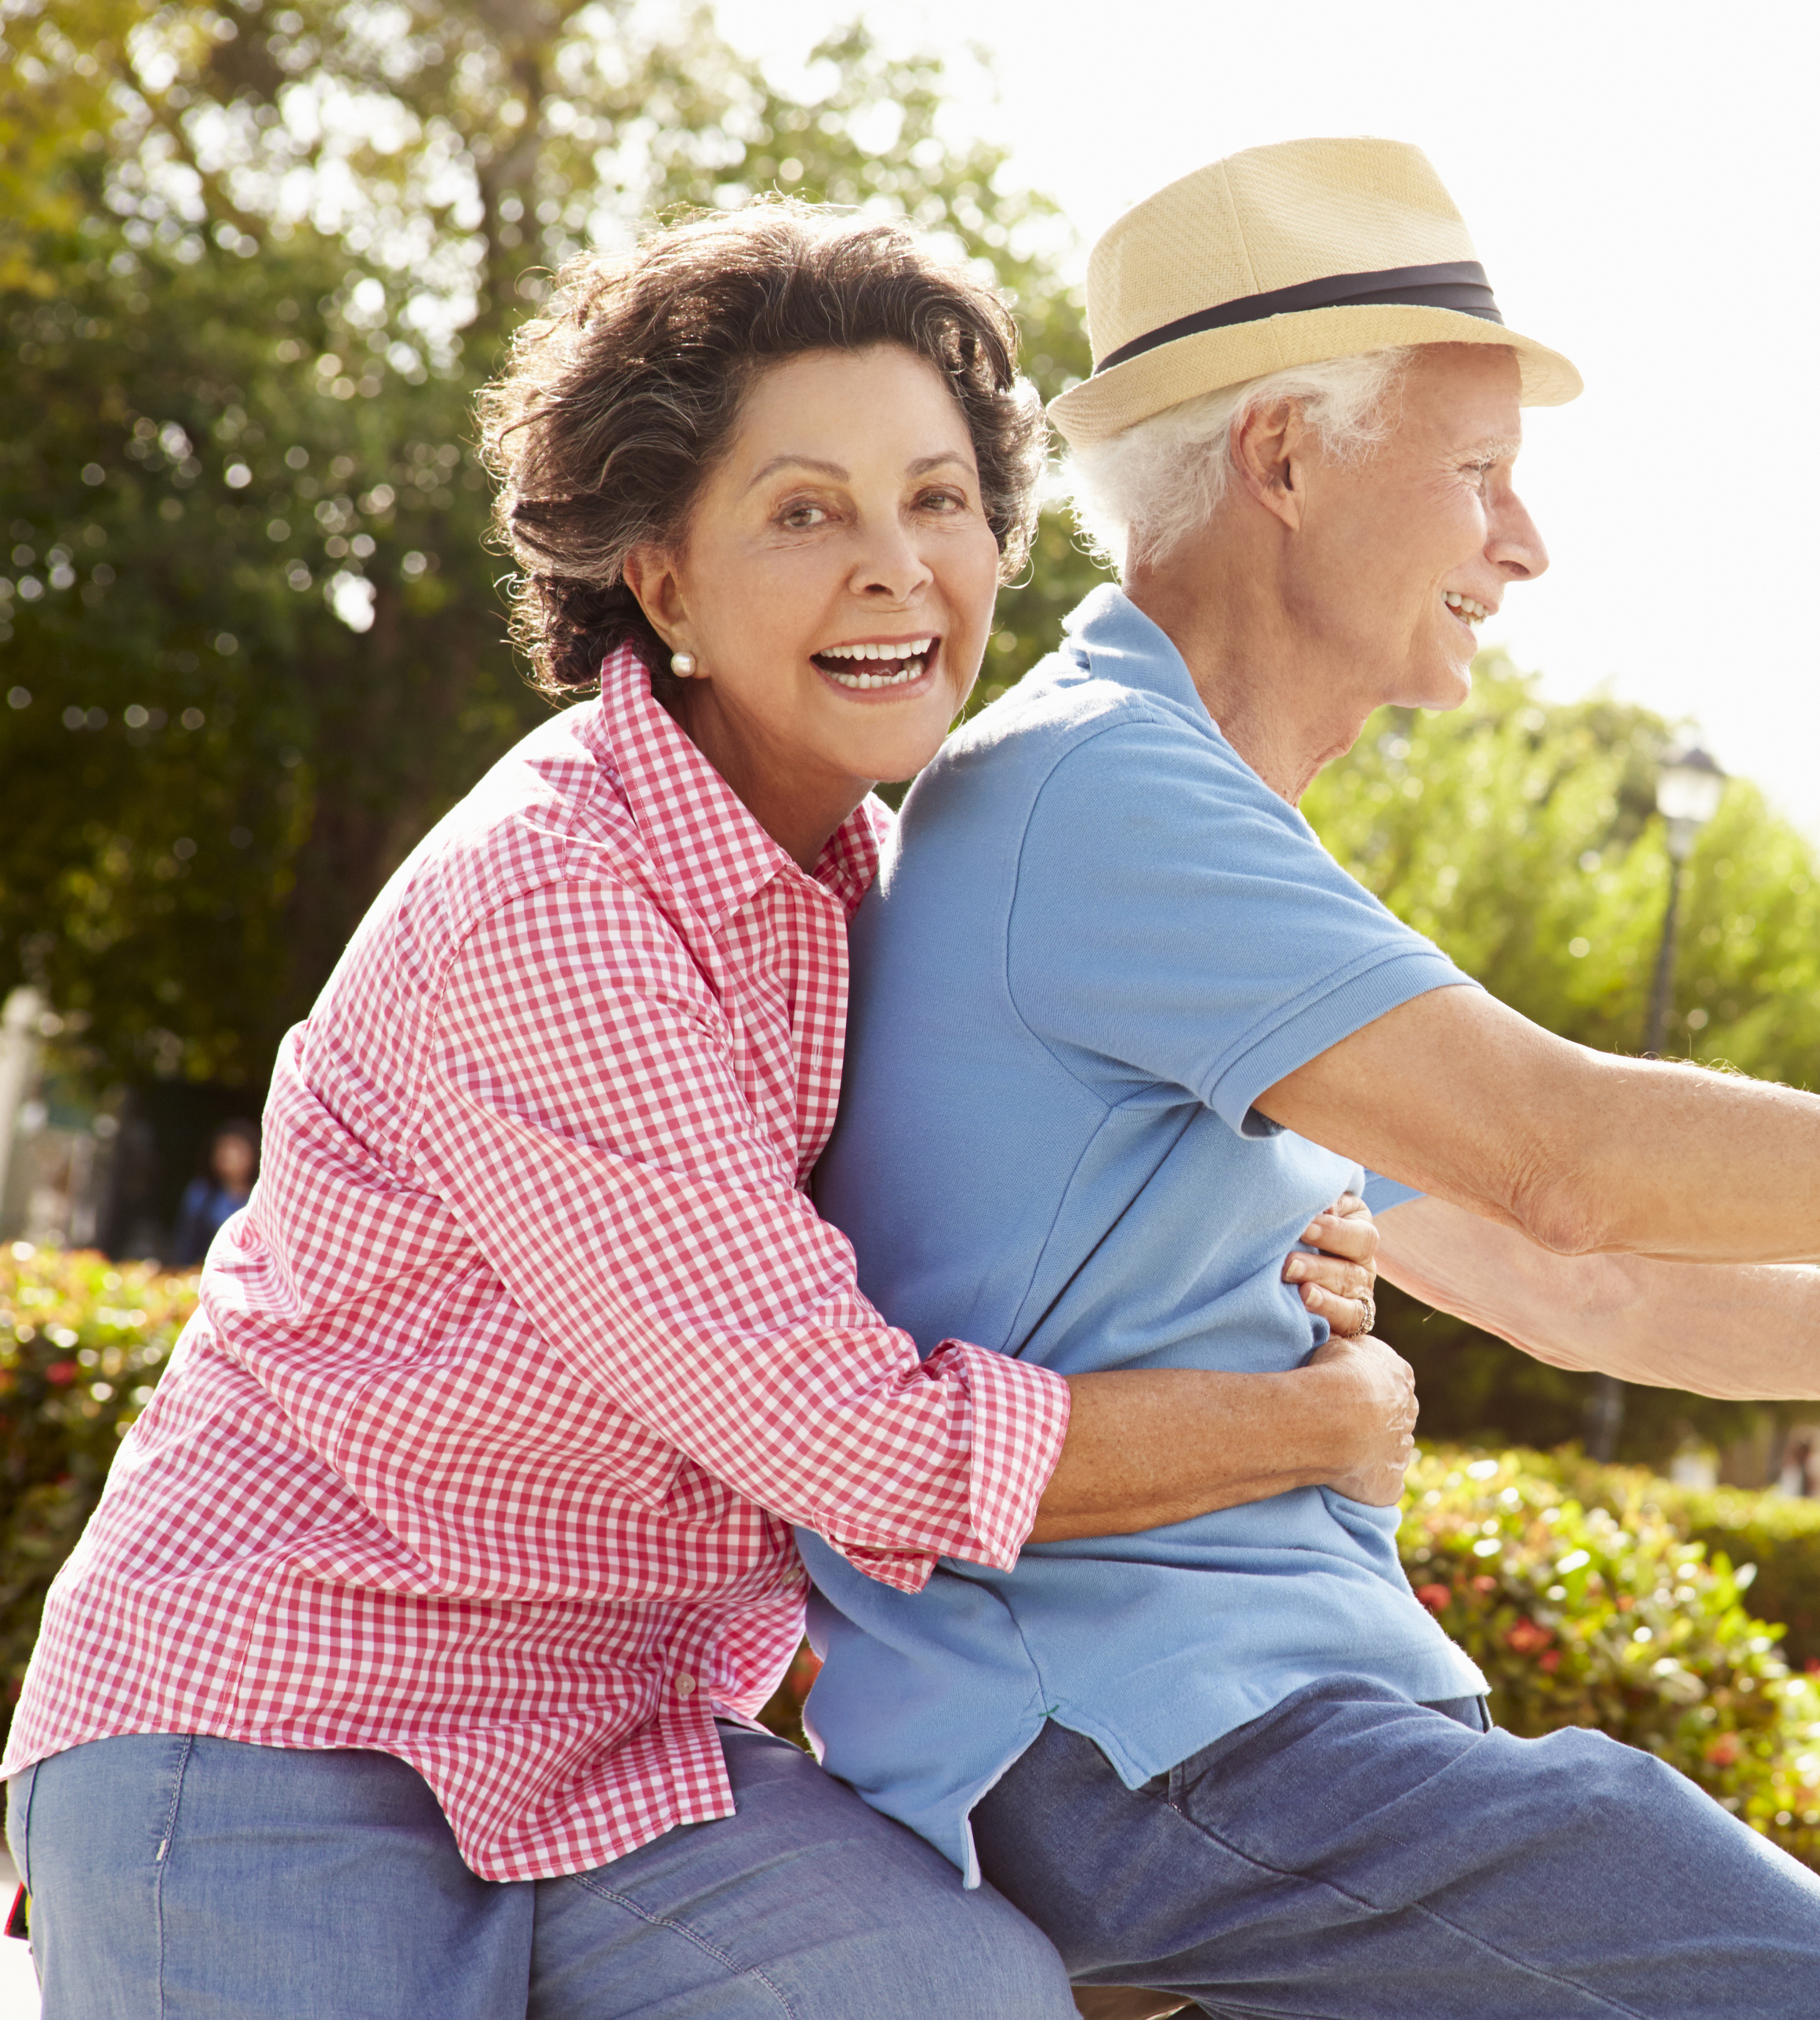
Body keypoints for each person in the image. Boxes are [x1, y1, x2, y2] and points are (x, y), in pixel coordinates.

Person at [798, 139, 1820, 2020]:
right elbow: (1571, 1166)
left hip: (1213, 1738)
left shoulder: (1170, 825)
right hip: (1149, 1755)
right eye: (1476, 477)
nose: (1524, 545)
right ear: (1283, 461)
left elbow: (1575, 1279)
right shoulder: (1102, 802)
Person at [2, 204, 1416, 2020]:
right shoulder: (557, 897)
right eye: (804, 511)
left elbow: (1057, 1240)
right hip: (271, 1725)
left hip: (626, 1752)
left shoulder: (887, 885)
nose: (898, 568)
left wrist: (1273, 1252)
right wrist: (1318, 1424)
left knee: (957, 1999)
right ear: (663, 583)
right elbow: (863, 1443)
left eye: (939, 501)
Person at [162, 1117, 256, 1266]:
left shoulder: (262, 1197)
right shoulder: (201, 1194)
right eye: (224, 1149)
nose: (229, 1156)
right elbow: (186, 1244)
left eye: (237, 1150)